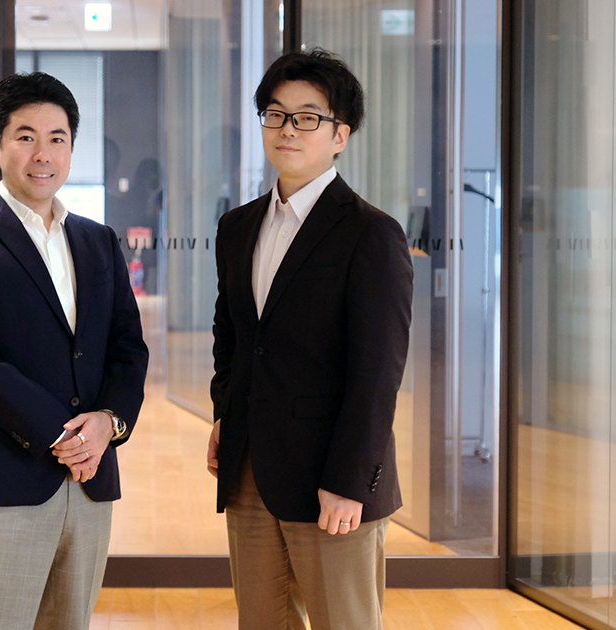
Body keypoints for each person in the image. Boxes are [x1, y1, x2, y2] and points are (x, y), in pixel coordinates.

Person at [0, 71, 148, 630]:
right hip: (6, 477)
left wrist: (109, 423)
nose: (43, 153)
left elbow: (127, 347)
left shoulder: (98, 241)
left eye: (57, 138)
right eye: (25, 137)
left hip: (90, 481)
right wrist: (63, 436)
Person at [207, 49, 414, 629]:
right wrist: (226, 413)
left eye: (307, 117)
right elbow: (231, 336)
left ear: (340, 135)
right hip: (250, 471)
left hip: (332, 477)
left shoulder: (371, 233)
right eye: (275, 115)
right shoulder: (237, 227)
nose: (288, 129)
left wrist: (349, 481)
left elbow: (377, 374)